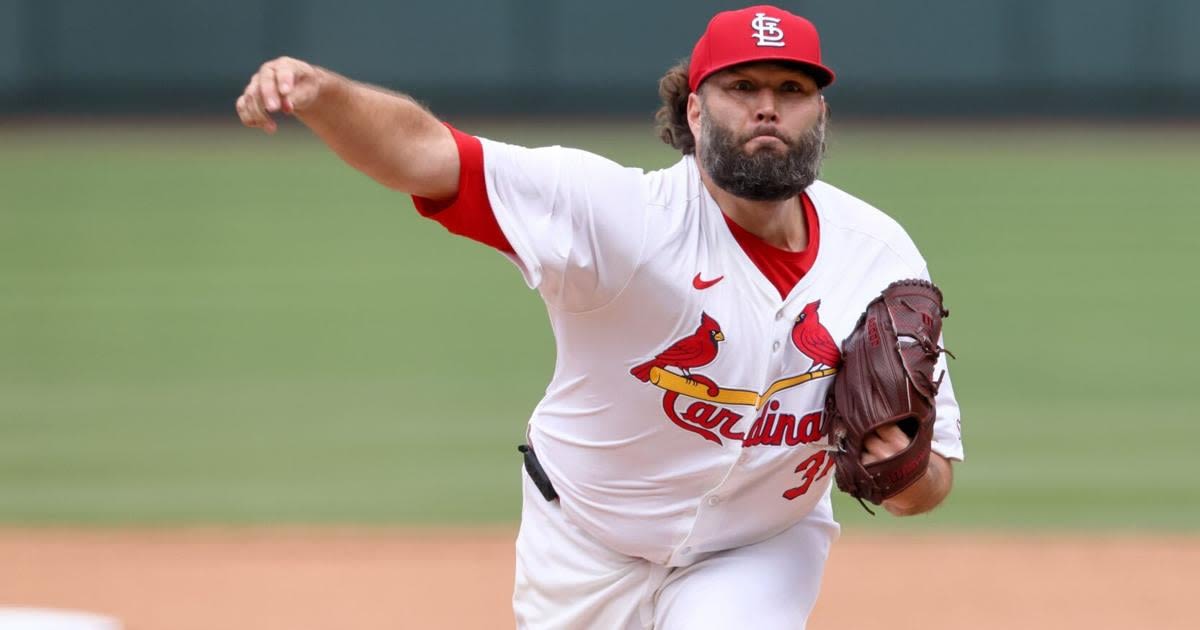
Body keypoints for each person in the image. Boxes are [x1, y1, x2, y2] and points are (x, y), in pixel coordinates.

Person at [236, 5, 963, 629]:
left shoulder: (879, 257)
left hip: (759, 548)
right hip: (585, 543)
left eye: (792, 89)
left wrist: (898, 469)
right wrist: (322, 93)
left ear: (820, 113)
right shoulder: (621, 218)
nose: (768, 106)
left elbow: (926, 486)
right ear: (694, 110)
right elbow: (429, 156)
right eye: (742, 87)